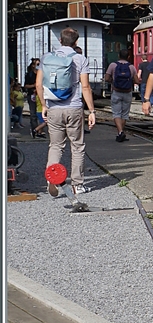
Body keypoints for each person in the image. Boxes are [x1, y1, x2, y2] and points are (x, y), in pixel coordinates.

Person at [36, 26, 96, 196]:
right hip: (74, 107)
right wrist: (91, 111)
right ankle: (77, 185)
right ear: (76, 42)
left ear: (60, 40)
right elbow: (85, 86)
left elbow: (39, 84)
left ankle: (51, 178)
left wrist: (44, 105)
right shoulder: (80, 58)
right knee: (77, 146)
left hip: (54, 107)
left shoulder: (46, 57)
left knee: (55, 145)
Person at [104, 47, 139, 141]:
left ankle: (120, 132)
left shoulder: (113, 65)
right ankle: (121, 132)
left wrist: (113, 81)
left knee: (116, 113)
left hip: (116, 92)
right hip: (127, 93)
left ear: (118, 55)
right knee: (124, 114)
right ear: (128, 56)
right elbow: (136, 80)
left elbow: (106, 78)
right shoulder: (131, 67)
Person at [23, 58, 40, 136]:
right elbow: (25, 85)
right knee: (33, 113)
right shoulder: (29, 74)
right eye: (37, 64)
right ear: (33, 65)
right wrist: (34, 85)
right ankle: (35, 129)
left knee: (42, 113)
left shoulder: (41, 73)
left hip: (41, 95)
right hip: (32, 95)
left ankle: (40, 130)